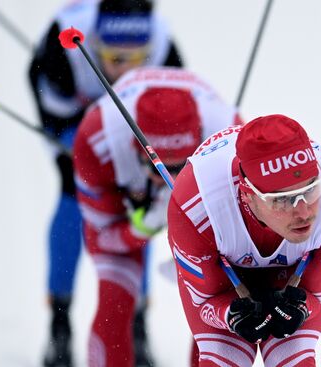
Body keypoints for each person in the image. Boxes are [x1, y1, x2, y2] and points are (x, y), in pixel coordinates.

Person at [27, 0, 184, 366]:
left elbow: (178, 108)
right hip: (77, 126)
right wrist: (74, 142)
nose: (125, 68)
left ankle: (137, 323)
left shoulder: (163, 44)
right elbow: (49, 105)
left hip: (134, 135)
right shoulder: (61, 45)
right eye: (114, 57)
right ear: (96, 44)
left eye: (137, 58)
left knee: (138, 215)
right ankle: (59, 323)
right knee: (72, 201)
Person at [73, 66, 242, 367]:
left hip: (209, 202)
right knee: (115, 299)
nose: (169, 180)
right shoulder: (96, 141)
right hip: (128, 200)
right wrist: (140, 227)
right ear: (135, 149)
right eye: (158, 167)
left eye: (181, 167)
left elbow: (241, 238)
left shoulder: (231, 142)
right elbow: (103, 237)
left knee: (223, 303)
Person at [167, 114, 321, 366]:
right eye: (283, 200)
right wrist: (231, 315)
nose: (304, 212)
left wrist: (302, 308)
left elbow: (316, 292)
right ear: (248, 195)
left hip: (293, 276)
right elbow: (206, 300)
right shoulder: (194, 209)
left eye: (311, 189)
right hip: (225, 276)